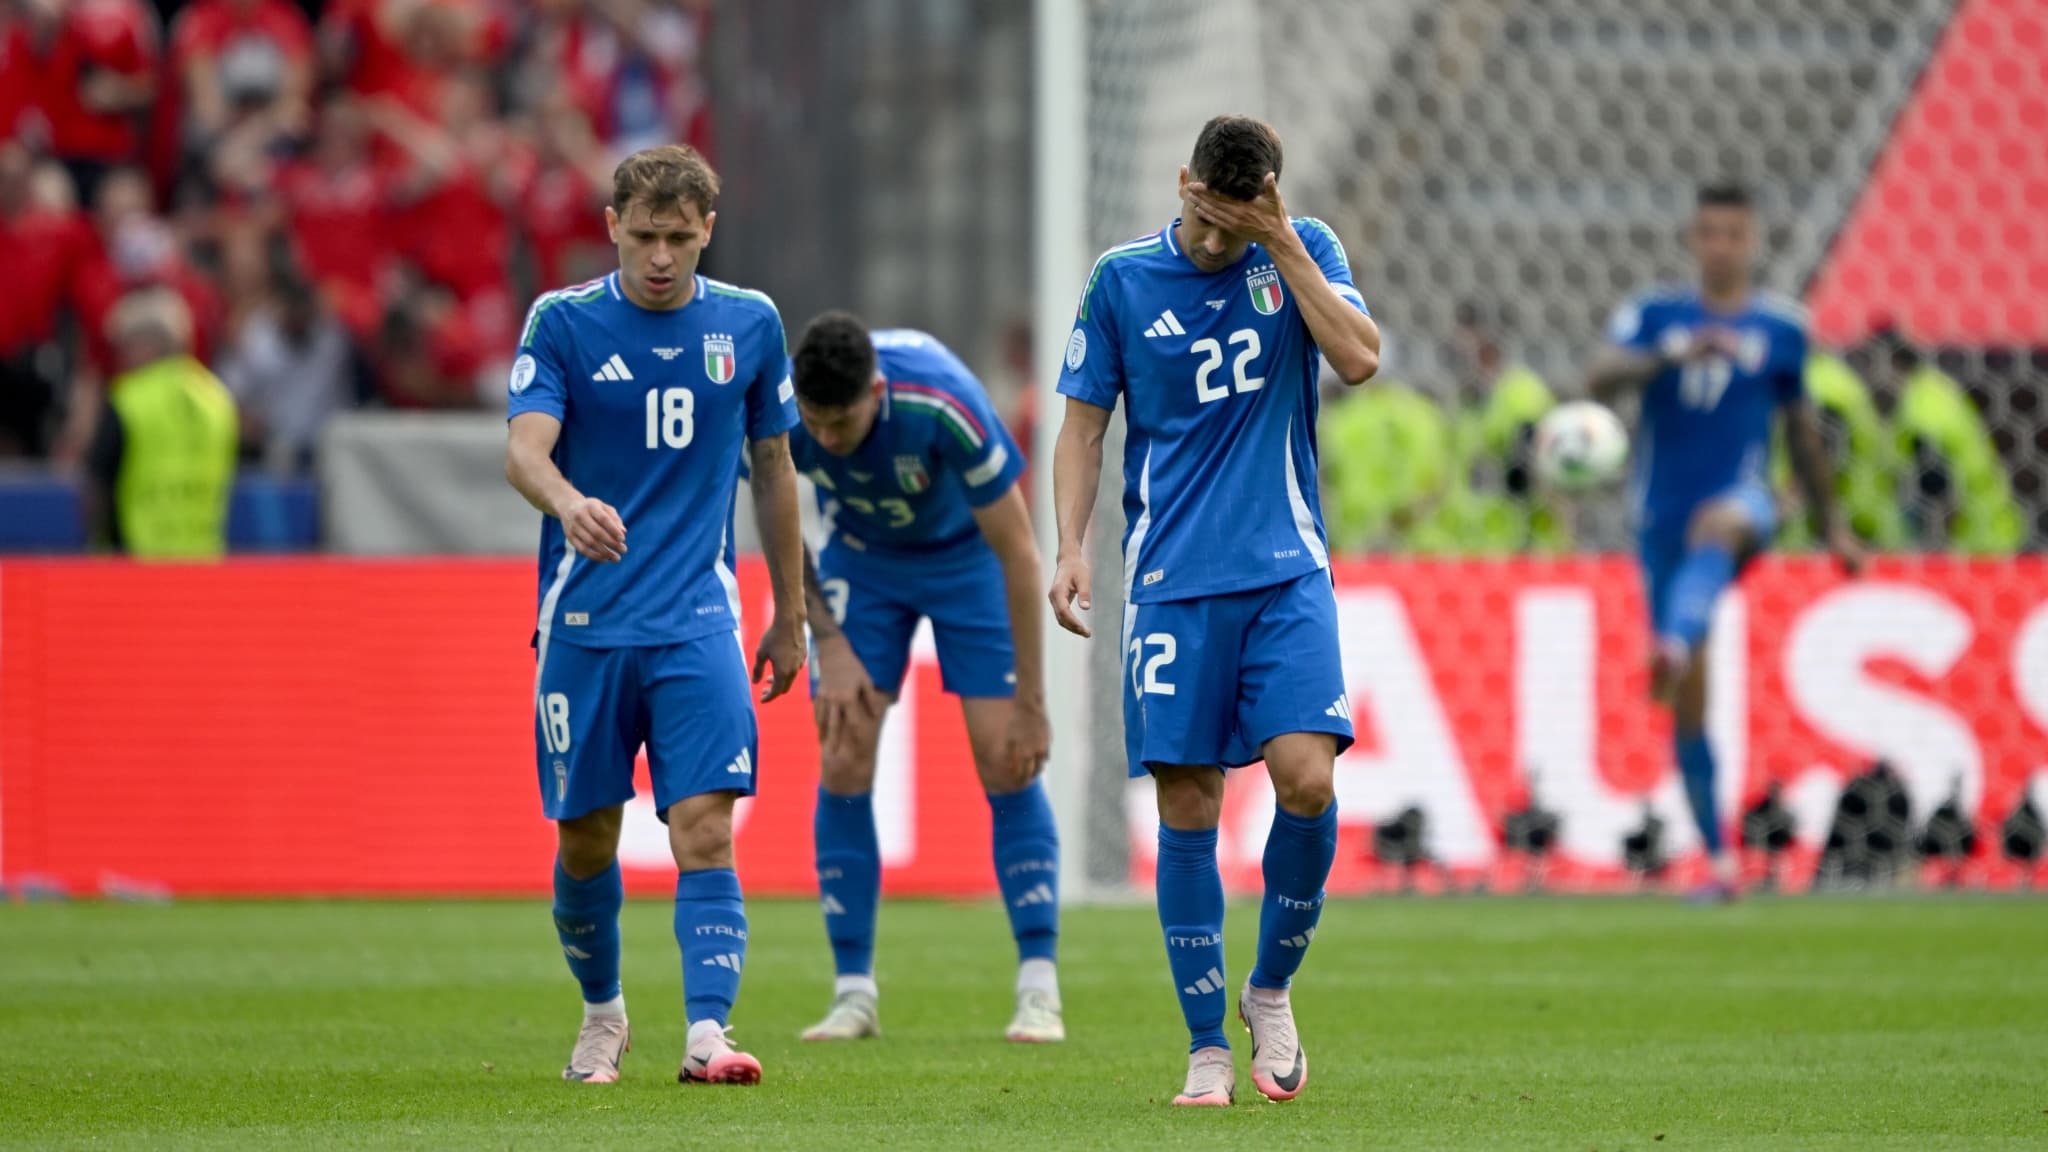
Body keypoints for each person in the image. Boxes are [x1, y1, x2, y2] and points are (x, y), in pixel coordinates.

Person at [1049, 115, 1380, 1106]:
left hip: (1283, 571)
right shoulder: (1119, 280)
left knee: (1306, 781)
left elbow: (1359, 359)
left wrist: (1276, 238)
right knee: (1186, 805)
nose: (1216, 237)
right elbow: (1080, 428)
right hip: (1169, 582)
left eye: (1243, 219)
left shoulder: (1301, 249)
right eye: (1210, 214)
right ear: (1184, 182)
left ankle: (1268, 989)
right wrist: (1070, 545)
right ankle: (1203, 1047)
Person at [502, 143, 807, 1087]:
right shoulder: (563, 321)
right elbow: (523, 450)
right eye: (645, 236)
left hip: (697, 623)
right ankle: (603, 1014)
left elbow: (775, 471)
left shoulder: (750, 324)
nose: (663, 257)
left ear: (708, 230)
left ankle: (708, 1033)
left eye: (681, 238)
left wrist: (789, 613)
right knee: (587, 833)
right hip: (585, 627)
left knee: (704, 829)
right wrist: (565, 501)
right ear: (612, 229)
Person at [784, 314, 1060, 1046]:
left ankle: (1039, 985)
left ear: (876, 390)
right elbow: (776, 522)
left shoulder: (942, 402)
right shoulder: (783, 413)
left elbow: (1020, 552)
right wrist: (827, 639)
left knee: (1006, 757)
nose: (830, 439)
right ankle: (853, 993)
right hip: (863, 562)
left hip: (967, 559)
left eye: (843, 422)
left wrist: (1033, 700)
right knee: (842, 751)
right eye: (819, 423)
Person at [1589, 184, 1863, 902]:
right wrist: (1670, 355)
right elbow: (1599, 376)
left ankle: (1673, 643)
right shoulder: (1658, 315)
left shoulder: (1782, 329)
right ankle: (1718, 862)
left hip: (1745, 500)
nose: (1721, 245)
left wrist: (1832, 523)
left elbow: (1801, 430)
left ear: (1753, 241)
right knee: (1689, 701)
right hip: (1661, 523)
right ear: (1693, 238)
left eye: (1734, 234)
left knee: (1727, 519)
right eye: (1709, 232)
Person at [84, 285, 238, 557]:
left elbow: (97, 486)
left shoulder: (129, 398)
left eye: (125, 346)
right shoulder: (218, 400)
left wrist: (98, 545)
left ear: (148, 345)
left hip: (137, 564)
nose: (121, 359)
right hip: (204, 562)